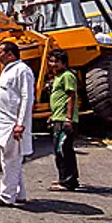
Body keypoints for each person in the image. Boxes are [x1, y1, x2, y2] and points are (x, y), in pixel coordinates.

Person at [0, 41, 35, 207]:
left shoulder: (22, 71)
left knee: (11, 160)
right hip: (5, 123)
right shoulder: (9, 70)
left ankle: (5, 197)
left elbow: (27, 98)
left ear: (10, 54)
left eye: (0, 52)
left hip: (12, 124)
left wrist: (20, 124)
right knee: (9, 160)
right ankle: (19, 193)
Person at [47, 48, 79, 191]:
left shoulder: (67, 76)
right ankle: (64, 178)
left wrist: (68, 119)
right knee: (60, 151)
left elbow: (71, 96)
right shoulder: (58, 77)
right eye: (51, 61)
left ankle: (68, 181)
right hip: (57, 118)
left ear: (64, 63)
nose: (53, 64)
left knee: (64, 150)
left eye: (56, 61)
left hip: (64, 120)